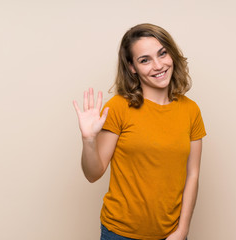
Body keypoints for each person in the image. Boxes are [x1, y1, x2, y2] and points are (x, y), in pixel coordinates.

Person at [73, 23, 206, 240]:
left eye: (162, 54)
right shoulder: (118, 107)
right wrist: (88, 140)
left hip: (170, 234)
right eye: (145, 60)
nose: (158, 65)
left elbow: (193, 175)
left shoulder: (191, 110)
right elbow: (93, 174)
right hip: (120, 234)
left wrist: (182, 230)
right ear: (132, 67)